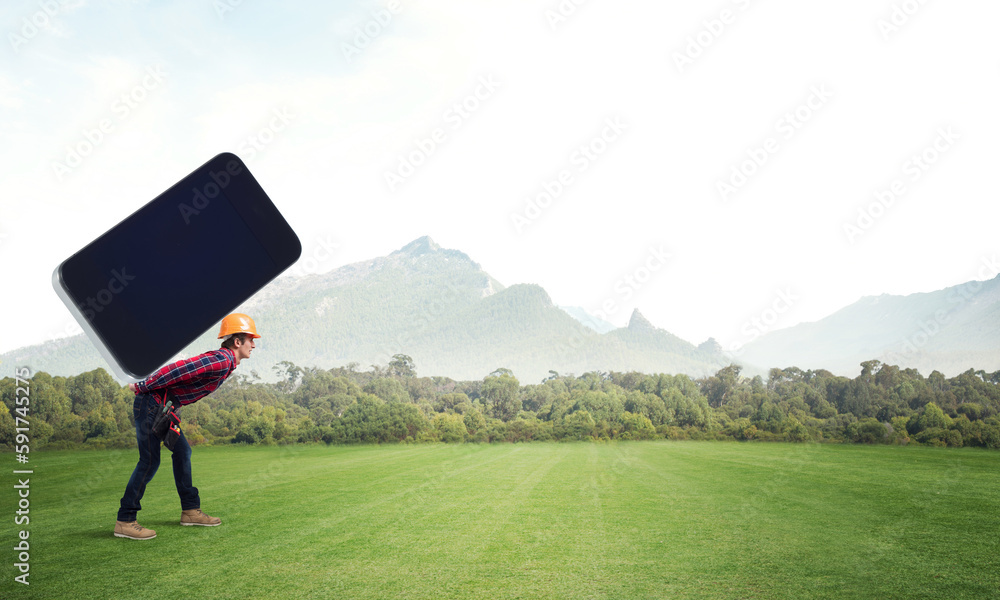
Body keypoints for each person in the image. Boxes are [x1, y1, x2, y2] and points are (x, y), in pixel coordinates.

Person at [114, 313, 260, 540]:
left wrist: (173, 410)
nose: (254, 344)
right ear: (237, 342)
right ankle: (125, 520)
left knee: (183, 451)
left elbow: (183, 385)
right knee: (149, 461)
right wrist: (143, 386)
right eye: (251, 339)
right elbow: (179, 369)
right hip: (151, 403)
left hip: (163, 407)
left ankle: (190, 511)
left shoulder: (227, 363)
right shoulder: (221, 360)